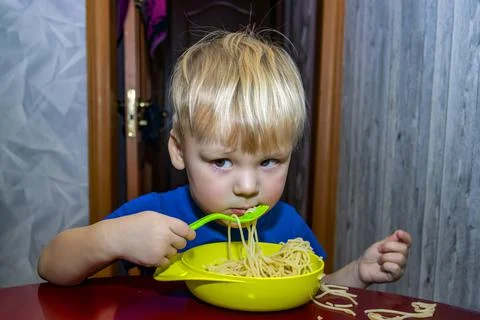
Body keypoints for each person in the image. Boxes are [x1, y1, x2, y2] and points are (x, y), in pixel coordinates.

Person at [38, 29, 411, 287]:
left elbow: (316, 288)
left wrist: (359, 273)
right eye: (221, 162)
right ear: (179, 152)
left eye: (269, 161)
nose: (248, 188)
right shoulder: (154, 216)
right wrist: (113, 238)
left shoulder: (287, 226)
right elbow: (51, 267)